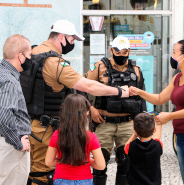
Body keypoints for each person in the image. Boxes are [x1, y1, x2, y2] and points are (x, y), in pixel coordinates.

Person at [24, 20, 129, 185]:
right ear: (61, 38)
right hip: (44, 130)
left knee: (33, 170)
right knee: (44, 175)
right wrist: (119, 91)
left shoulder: (32, 53)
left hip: (29, 125)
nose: (72, 44)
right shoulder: (53, 62)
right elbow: (88, 86)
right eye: (72, 41)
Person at [130, 39, 184, 185]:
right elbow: (160, 98)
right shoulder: (178, 77)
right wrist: (139, 92)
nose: (171, 55)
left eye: (174, 52)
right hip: (180, 135)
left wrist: (170, 116)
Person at [85, 35, 147, 185]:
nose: (120, 55)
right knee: (100, 162)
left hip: (127, 122)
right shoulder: (99, 66)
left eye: (124, 52)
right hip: (104, 121)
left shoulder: (136, 70)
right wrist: (91, 109)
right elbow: (81, 88)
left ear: (129, 51)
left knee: (126, 161)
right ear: (111, 50)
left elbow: (142, 98)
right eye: (117, 52)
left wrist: (142, 125)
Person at [0, 34, 31, 185]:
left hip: (1, 142)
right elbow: (5, 116)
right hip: (10, 147)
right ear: (20, 56)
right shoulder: (8, 80)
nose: (30, 60)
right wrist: (18, 142)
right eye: (29, 56)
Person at [45, 94, 105, 185]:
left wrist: (64, 159)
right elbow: (101, 166)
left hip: (61, 180)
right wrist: (87, 159)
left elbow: (49, 161)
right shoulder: (91, 137)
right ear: (86, 113)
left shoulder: (57, 134)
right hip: (85, 180)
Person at [124, 113, 163, 185]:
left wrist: (134, 135)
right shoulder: (158, 146)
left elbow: (126, 146)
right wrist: (159, 123)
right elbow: (157, 137)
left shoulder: (131, 147)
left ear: (135, 131)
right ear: (154, 130)